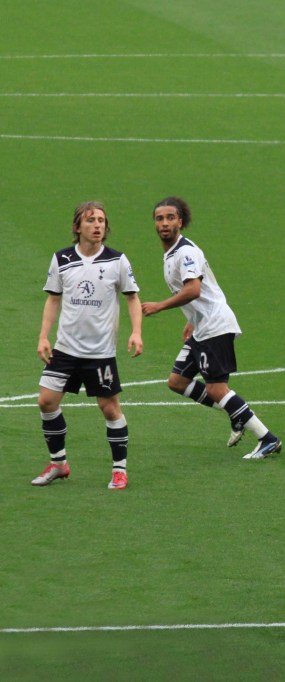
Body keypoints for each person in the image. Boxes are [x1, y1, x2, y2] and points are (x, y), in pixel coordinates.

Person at [140, 197, 282, 459]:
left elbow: (193, 289)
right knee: (177, 382)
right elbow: (203, 289)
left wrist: (160, 306)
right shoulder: (172, 253)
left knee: (217, 389)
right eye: (159, 218)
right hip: (202, 326)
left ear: (180, 221)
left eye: (170, 217)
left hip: (215, 326)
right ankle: (236, 414)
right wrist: (191, 319)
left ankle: (267, 439)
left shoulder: (186, 252)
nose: (164, 223)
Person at [33, 201, 143, 490]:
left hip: (100, 353)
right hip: (65, 349)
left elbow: (132, 297)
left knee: (109, 408)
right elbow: (53, 299)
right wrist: (44, 336)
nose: (97, 225)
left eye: (101, 221)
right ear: (77, 226)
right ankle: (59, 464)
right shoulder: (62, 259)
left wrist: (136, 332)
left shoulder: (117, 261)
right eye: (91, 220)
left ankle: (119, 470)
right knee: (46, 401)